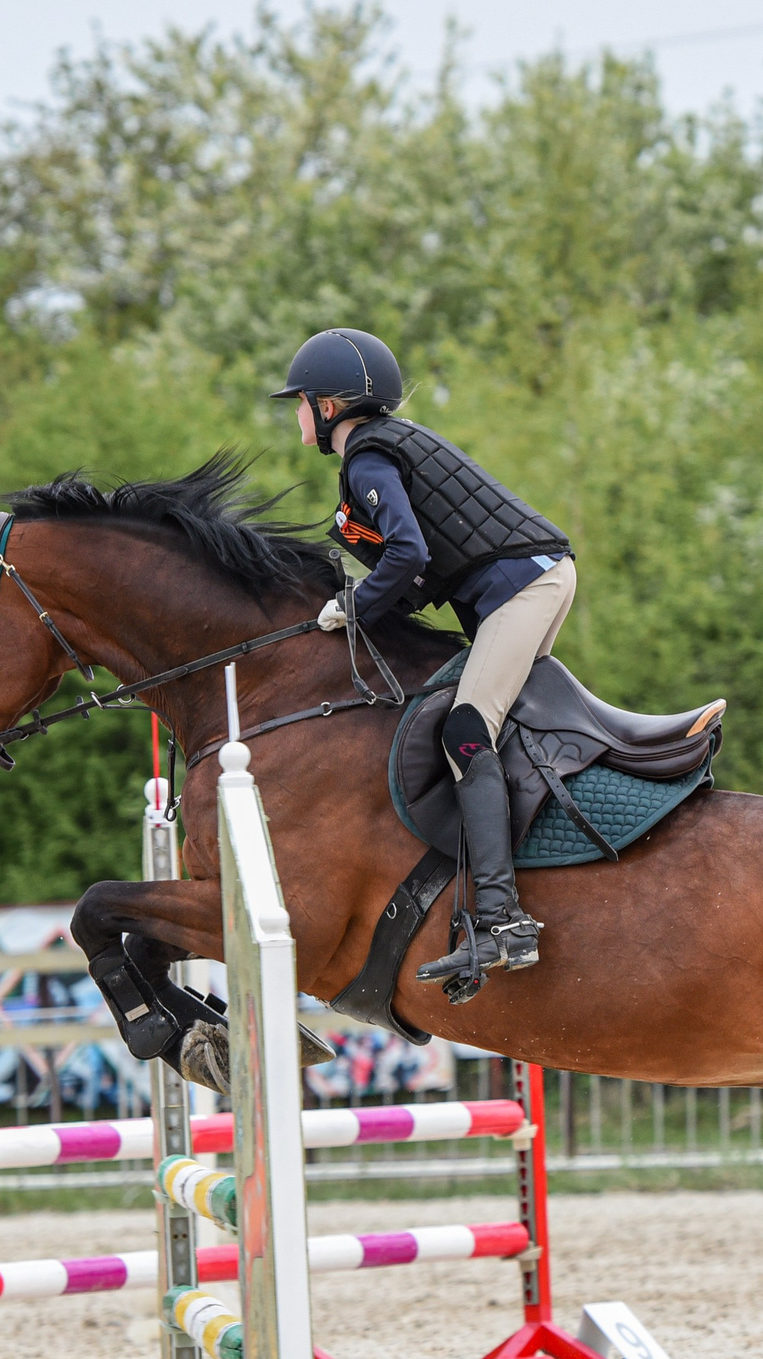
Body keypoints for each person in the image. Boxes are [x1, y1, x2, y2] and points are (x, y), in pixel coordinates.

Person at [271, 327, 575, 998]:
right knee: (492, 733)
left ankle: (502, 918)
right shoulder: (391, 448)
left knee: (466, 729)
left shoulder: (367, 457)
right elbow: (418, 571)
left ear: (329, 408)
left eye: (301, 400)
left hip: (523, 585)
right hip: (541, 576)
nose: (295, 412)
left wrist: (353, 608)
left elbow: (406, 555)